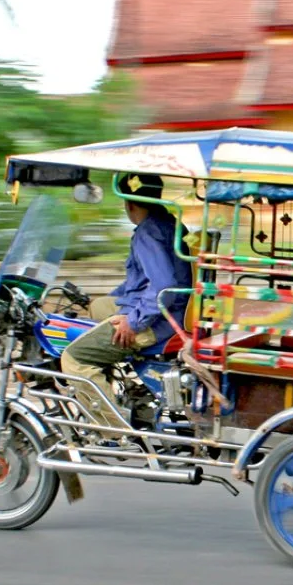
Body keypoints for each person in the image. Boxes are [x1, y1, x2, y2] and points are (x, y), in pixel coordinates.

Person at [60, 173, 192, 415]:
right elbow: (139, 281)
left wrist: (132, 321)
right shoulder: (167, 224)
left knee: (72, 358)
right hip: (173, 312)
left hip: (162, 320)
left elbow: (163, 287)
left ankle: (114, 430)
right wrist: (111, 299)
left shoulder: (148, 233)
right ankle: (111, 383)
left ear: (128, 203)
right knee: (96, 307)